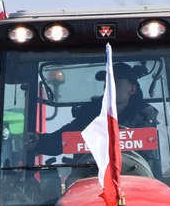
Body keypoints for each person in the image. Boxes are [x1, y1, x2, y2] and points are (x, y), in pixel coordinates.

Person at [26, 62, 159, 157]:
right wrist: (39, 142)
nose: (108, 87)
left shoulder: (145, 116)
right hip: (90, 178)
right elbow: (63, 140)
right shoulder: (90, 114)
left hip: (136, 181)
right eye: (107, 83)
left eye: (115, 83)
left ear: (132, 89)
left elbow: (148, 154)